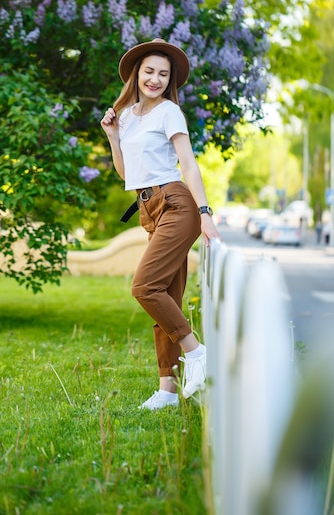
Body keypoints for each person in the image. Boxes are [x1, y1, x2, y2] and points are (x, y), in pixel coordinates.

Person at [100, 38, 220, 410]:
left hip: (175, 204)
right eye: (149, 72)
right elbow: (128, 174)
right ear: (137, 74)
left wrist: (204, 213)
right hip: (148, 206)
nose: (155, 79)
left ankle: (197, 354)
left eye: (163, 75)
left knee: (145, 287)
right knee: (166, 297)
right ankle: (167, 390)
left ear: (171, 81)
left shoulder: (169, 112)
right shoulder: (129, 116)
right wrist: (113, 138)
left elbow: (188, 163)